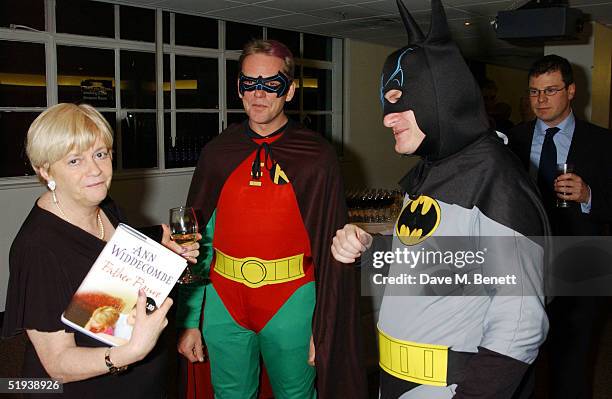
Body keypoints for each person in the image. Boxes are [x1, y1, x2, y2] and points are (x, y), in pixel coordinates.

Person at [331, 1, 549, 398]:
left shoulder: (497, 182)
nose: (386, 117)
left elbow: (520, 322)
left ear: (440, 99)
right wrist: (367, 248)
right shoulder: (429, 172)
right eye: (386, 102)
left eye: (401, 100)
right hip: (397, 380)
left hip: (447, 387)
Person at [176, 39, 366, 398]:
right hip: (224, 300)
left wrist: (324, 326)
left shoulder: (316, 156)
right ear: (238, 88)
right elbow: (197, 242)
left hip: (291, 300)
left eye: (270, 84)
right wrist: (190, 322)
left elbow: (331, 249)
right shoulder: (218, 153)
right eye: (249, 83)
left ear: (290, 90)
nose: (258, 94)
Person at [1, 103, 200, 398]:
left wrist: (162, 252)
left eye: (100, 154)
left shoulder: (104, 206)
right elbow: (57, 363)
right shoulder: (38, 249)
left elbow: (113, 264)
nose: (95, 170)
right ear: (45, 170)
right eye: (74, 161)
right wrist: (129, 353)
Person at [507, 54, 612, 399]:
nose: (540, 100)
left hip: (582, 260)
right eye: (534, 92)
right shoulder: (511, 142)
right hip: (524, 260)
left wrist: (589, 195)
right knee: (519, 357)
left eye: (550, 90)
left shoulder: (603, 143)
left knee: (573, 360)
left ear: (571, 91)